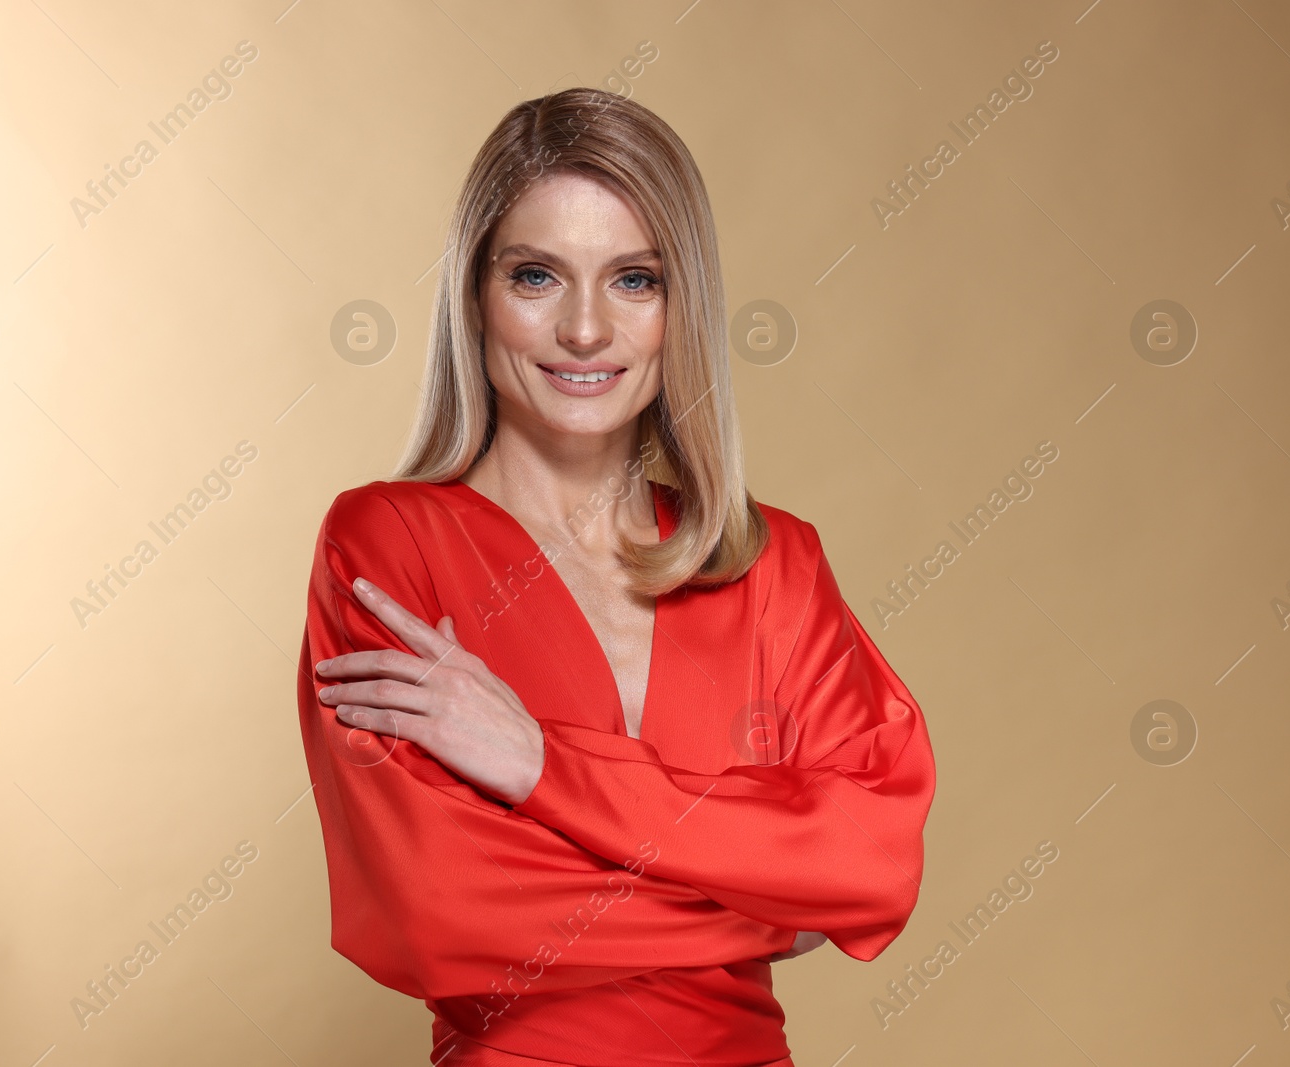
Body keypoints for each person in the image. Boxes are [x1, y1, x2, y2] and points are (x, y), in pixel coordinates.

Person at [297, 87, 936, 1067]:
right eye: (538, 276)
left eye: (634, 279)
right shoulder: (388, 547)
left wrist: (541, 766)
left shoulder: (773, 563)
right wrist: (767, 905)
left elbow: (870, 863)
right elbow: (435, 908)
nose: (586, 330)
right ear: (474, 294)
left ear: (683, 305)